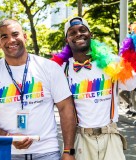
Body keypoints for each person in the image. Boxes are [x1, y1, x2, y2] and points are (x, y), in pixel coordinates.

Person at [0, 19, 77, 160]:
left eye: (15, 34)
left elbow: (66, 108)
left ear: (25, 37)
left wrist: (68, 151)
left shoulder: (49, 68)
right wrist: (7, 137)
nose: (11, 40)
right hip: (8, 154)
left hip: (47, 152)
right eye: (4, 37)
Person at [51, 17, 136, 160]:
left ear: (91, 34)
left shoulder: (111, 62)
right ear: (67, 40)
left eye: (82, 30)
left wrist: (131, 49)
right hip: (80, 139)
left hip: (110, 136)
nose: (78, 34)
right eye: (72, 32)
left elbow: (131, 84)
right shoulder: (61, 69)